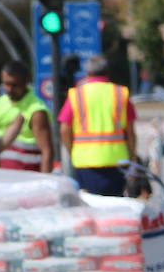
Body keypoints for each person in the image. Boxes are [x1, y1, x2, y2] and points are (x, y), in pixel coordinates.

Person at [58, 54, 138, 196]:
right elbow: (130, 132)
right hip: (116, 160)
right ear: (107, 71)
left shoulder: (76, 95)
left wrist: (73, 151)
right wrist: (132, 156)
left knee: (89, 203)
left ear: (87, 72)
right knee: (114, 203)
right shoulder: (121, 93)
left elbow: (64, 130)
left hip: (84, 161)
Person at [0, 60, 54, 172]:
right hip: (3, 175)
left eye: (14, 85)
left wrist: (45, 179)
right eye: (6, 84)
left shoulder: (36, 110)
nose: (10, 89)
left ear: (26, 82)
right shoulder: (0, 103)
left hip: (29, 177)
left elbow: (47, 151)